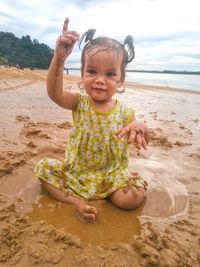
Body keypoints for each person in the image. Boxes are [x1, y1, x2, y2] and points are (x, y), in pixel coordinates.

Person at [34, 18, 150, 223]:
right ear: (82, 73)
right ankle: (77, 202)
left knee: (130, 200)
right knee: (44, 169)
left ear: (121, 80)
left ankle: (123, 195)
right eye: (92, 71)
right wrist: (59, 59)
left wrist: (140, 127)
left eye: (110, 74)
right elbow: (55, 93)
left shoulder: (125, 112)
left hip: (110, 176)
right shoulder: (79, 103)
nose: (99, 79)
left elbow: (143, 136)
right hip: (78, 172)